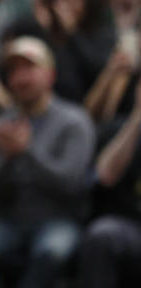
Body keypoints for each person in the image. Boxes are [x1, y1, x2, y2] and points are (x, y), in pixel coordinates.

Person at [0, 36, 95, 288]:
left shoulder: (74, 122)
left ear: (50, 75)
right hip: (7, 221)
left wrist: (27, 151)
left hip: (57, 219)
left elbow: (71, 183)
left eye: (29, 68)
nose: (21, 77)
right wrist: (8, 160)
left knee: (51, 252)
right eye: (13, 70)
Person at [78, 78, 141, 288]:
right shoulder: (120, 129)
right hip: (132, 229)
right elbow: (105, 175)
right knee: (102, 235)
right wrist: (138, 116)